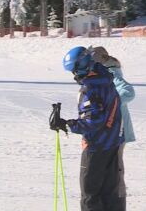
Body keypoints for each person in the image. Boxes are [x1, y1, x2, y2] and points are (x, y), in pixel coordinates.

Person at [52, 46, 125, 211]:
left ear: (81, 67)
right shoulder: (105, 79)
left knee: (90, 196)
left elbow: (93, 122)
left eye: (73, 70)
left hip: (96, 148)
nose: (74, 76)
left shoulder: (90, 88)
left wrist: (67, 124)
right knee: (109, 194)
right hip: (112, 144)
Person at [89, 46, 135, 206]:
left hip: (117, 131)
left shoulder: (112, 73)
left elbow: (128, 92)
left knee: (115, 169)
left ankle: (117, 201)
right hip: (111, 131)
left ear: (101, 60)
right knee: (108, 170)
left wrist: (110, 104)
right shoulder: (105, 72)